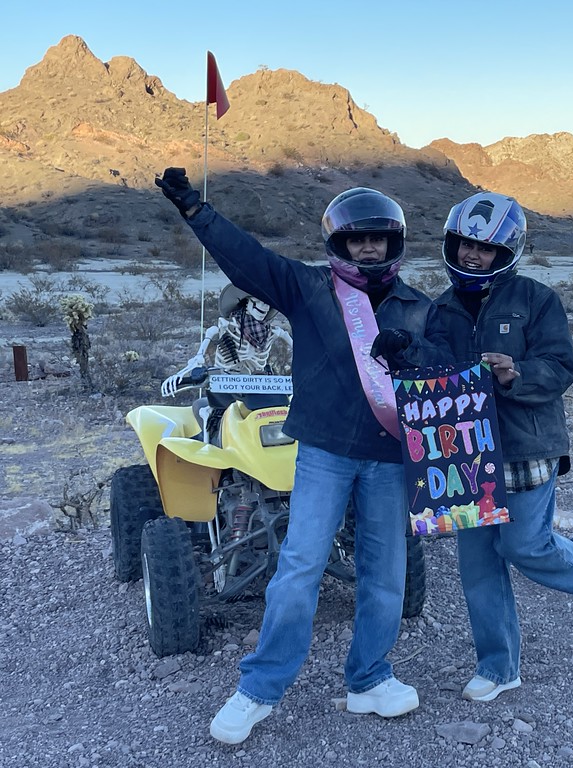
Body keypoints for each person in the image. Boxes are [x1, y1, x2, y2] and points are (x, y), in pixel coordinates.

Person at [155, 168, 449, 743]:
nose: (368, 248)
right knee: (299, 567)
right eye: (357, 239)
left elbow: (445, 371)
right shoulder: (309, 288)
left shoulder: (420, 307)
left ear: (394, 243)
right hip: (323, 451)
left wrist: (412, 353)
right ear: (338, 243)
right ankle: (259, 688)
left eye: (378, 239)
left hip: (391, 458)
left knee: (385, 573)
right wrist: (196, 211)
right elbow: (249, 261)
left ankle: (369, 678)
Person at [433, 191, 573, 703]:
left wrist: (517, 373)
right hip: (464, 452)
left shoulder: (537, 300)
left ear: (506, 251)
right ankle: (498, 667)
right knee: (477, 565)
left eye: (485, 248)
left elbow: (562, 367)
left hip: (525, 445)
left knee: (523, 545)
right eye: (466, 243)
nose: (473, 255)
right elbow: (430, 372)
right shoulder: (441, 308)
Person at [161, 284, 293, 442]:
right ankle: (211, 440)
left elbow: (300, 352)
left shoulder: (273, 332)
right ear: (246, 303)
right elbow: (200, 355)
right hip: (227, 382)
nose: (264, 307)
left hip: (259, 386)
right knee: (216, 415)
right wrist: (186, 370)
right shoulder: (225, 326)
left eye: (267, 303)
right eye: (258, 301)